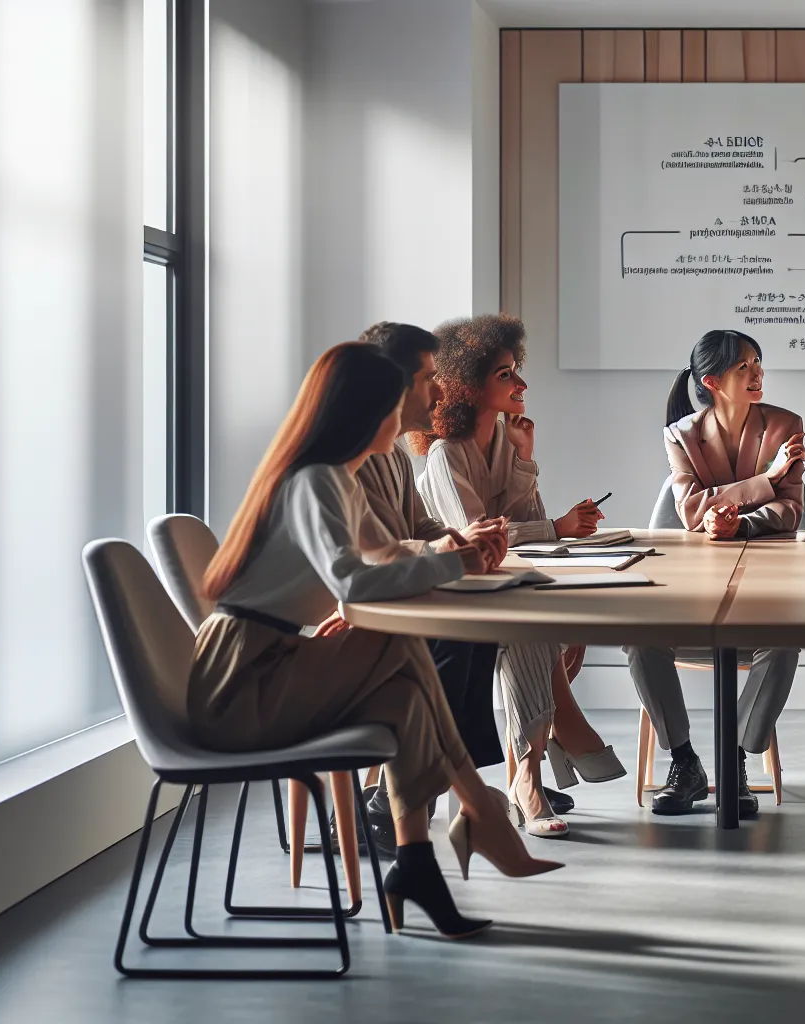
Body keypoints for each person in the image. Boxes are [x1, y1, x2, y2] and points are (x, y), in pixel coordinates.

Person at [191, 342, 561, 939]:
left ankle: (418, 864)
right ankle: (479, 811)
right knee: (402, 648)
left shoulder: (338, 479)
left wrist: (460, 548)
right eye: (399, 401)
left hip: (275, 658)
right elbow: (352, 581)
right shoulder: (314, 481)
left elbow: (388, 553)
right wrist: (456, 562)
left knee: (405, 691)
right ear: (367, 409)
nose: (415, 412)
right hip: (240, 679)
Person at [352, 321, 581, 855]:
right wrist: (448, 548)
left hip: (402, 600)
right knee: (472, 636)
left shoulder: (390, 453)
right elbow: (366, 555)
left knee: (483, 632)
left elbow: (420, 526)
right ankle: (417, 793)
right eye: (428, 378)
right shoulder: (357, 457)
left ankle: (435, 786)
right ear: (394, 384)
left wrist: (459, 540)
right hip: (366, 616)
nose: (439, 391)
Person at [415, 313, 626, 838]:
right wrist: (556, 527)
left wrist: (524, 459)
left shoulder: (505, 443)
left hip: (494, 587)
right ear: (467, 385)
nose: (522, 384)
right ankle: (534, 773)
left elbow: (528, 526)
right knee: (532, 629)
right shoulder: (445, 456)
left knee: (544, 625)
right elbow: (475, 537)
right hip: (449, 598)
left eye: (516, 370)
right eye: (505, 374)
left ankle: (535, 766)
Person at [630, 330, 805, 819]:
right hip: (693, 584)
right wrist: (767, 479)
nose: (757, 373)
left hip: (764, 580)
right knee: (640, 641)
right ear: (711, 381)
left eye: (758, 362)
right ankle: (684, 762)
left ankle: (736, 759)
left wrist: (740, 523)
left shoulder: (786, 425)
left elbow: (791, 510)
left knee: (784, 642)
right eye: (743, 367)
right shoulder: (680, 435)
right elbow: (691, 511)